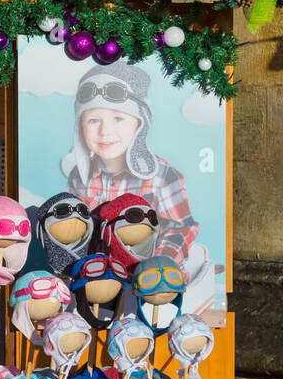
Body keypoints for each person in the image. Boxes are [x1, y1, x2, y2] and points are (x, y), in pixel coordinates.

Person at [66, 61, 216, 316]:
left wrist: (156, 265)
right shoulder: (80, 177)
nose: (105, 131)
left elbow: (181, 228)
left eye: (118, 118)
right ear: (80, 126)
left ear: (139, 122)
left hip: (146, 283)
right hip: (102, 284)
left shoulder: (162, 177)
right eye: (93, 120)